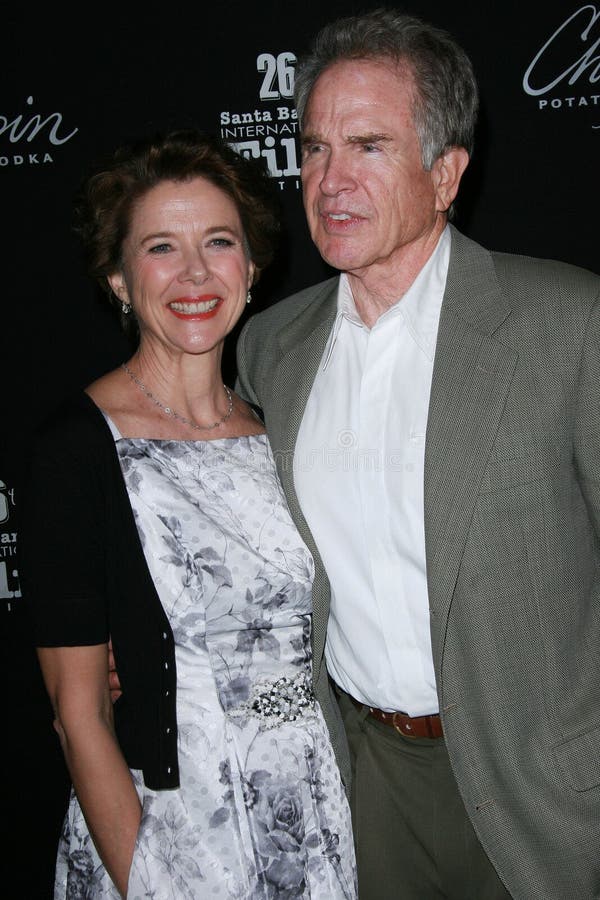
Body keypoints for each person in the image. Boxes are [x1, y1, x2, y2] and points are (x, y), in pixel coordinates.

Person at [234, 8, 600, 900]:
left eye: (366, 146)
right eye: (315, 148)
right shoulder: (268, 350)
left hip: (542, 784)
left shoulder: (567, 323)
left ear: (446, 175)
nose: (328, 181)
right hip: (366, 782)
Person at [19, 128, 357, 900]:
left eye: (218, 241)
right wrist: (153, 878)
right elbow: (80, 718)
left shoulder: (286, 430)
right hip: (170, 831)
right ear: (116, 276)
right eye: (161, 248)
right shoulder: (76, 448)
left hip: (312, 812)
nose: (196, 274)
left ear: (252, 267)